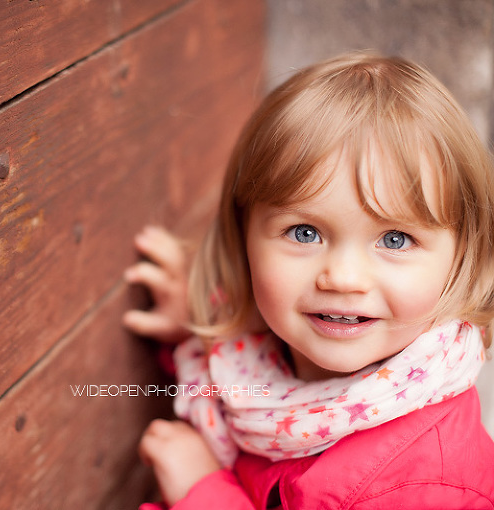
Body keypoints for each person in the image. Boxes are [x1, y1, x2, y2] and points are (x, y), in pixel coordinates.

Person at [123, 52, 494, 509]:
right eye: (304, 232)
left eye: (395, 239)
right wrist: (200, 321)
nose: (343, 278)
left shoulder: (425, 486)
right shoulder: (257, 354)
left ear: (461, 258)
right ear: (243, 239)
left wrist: (203, 492)